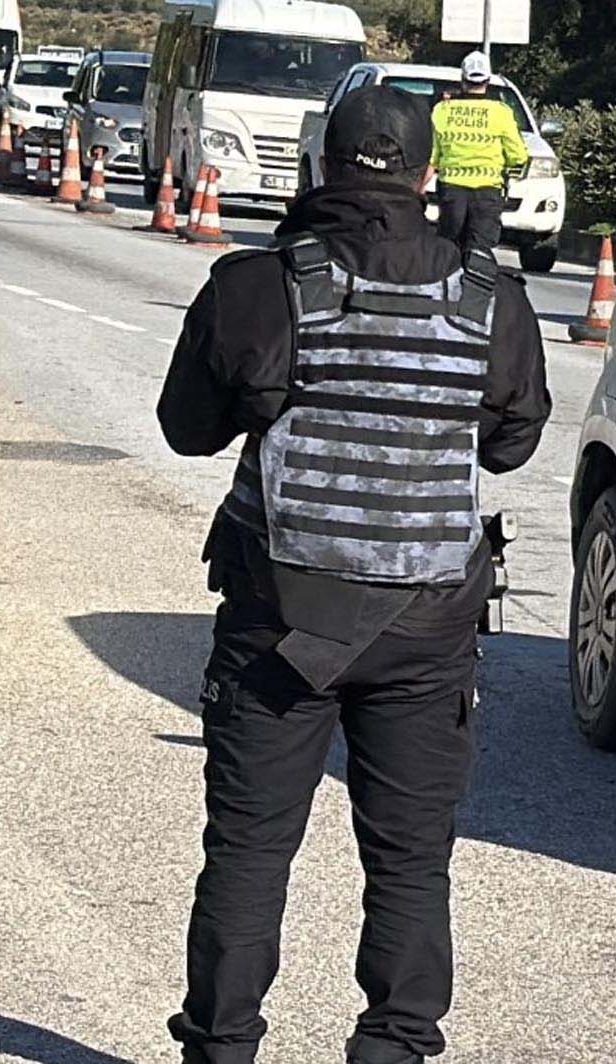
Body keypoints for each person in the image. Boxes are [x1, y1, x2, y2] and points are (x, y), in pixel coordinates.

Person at [158, 84, 551, 1064]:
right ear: (428, 175)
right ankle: (394, 1043)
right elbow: (510, 445)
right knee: (410, 859)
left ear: (322, 164)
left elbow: (186, 427)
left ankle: (222, 1046)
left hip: (280, 621)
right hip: (428, 625)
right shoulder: (487, 299)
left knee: (250, 852)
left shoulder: (259, 284)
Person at [427, 51, 529, 260]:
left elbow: (432, 156)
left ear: (462, 79)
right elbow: (518, 155)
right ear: (488, 79)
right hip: (487, 192)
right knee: (480, 250)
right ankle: (477, 289)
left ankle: (448, 287)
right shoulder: (501, 112)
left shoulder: (442, 110)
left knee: (448, 248)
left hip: (452, 191)